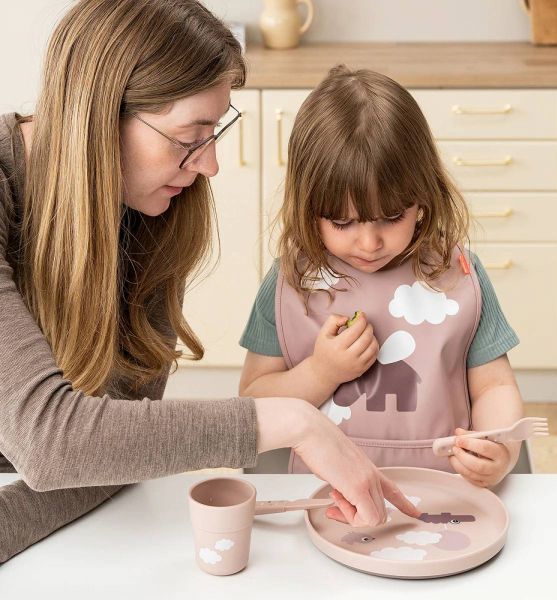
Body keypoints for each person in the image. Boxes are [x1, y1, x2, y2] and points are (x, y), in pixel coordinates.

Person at [0, 1, 419, 564]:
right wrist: (293, 421)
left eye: (214, 131)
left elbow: (113, 451)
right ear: (100, 114)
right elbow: (55, 442)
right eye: (189, 136)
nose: (211, 164)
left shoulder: (144, 210)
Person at [239, 66, 524, 502]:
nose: (369, 243)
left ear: (423, 199)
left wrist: (499, 447)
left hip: (443, 490)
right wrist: (321, 372)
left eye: (392, 217)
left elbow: (495, 386)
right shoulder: (290, 283)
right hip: (320, 495)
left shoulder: (459, 274)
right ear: (307, 206)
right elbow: (253, 403)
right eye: (341, 221)